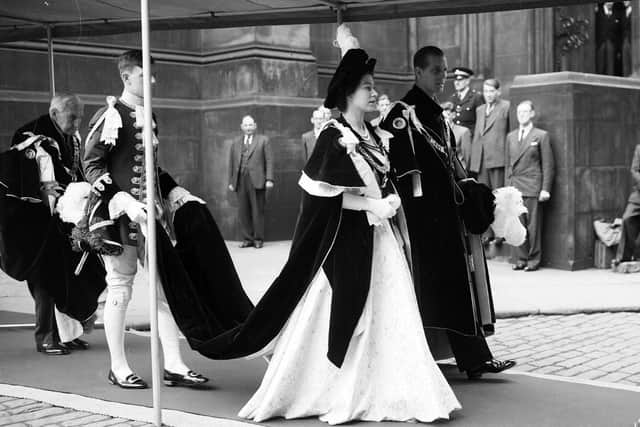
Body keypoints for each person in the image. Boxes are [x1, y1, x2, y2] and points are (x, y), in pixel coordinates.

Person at [193, 25, 461, 424]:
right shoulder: (334, 136)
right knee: (346, 314)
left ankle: (396, 384)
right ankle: (337, 386)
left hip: (380, 240)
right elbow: (322, 194)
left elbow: (384, 178)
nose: (373, 93)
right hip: (346, 246)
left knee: (393, 314)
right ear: (349, 93)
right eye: (367, 87)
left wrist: (387, 203)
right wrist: (371, 204)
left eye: (372, 86)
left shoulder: (371, 133)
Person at [380, 46, 516, 379]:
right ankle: (432, 360)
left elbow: (449, 162)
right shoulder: (402, 114)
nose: (444, 77)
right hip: (422, 222)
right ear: (418, 72)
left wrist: (467, 188)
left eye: (445, 70)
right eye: (437, 71)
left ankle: (474, 358)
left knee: (459, 287)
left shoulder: (435, 112)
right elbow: (402, 174)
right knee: (435, 291)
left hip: (445, 217)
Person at [83, 50, 215, 389]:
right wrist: (125, 201)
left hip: (151, 219)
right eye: (145, 75)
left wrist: (175, 191)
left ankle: (173, 364)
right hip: (118, 218)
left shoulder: (150, 115)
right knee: (120, 289)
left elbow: (152, 170)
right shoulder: (110, 115)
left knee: (164, 290)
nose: (153, 80)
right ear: (126, 77)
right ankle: (118, 365)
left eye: (153, 75)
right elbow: (91, 165)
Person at [1, 94, 102, 355]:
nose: (78, 122)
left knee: (70, 275)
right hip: (35, 220)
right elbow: (26, 178)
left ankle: (69, 334)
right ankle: (45, 336)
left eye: (80, 116)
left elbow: (75, 171)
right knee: (45, 277)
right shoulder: (30, 136)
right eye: (73, 116)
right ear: (55, 113)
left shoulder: (73, 139)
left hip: (64, 216)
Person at [505, 101, 555, 272]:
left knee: (533, 226)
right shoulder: (511, 136)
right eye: (519, 112)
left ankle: (533, 260)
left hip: (533, 186)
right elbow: (508, 165)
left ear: (532, 113)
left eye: (525, 112)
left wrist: (545, 188)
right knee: (518, 224)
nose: (522, 115)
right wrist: (507, 189)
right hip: (515, 186)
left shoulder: (541, 135)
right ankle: (521, 258)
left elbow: (548, 164)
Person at [228, 115, 274, 249]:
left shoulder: (263, 140)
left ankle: (258, 239)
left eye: (250, 125)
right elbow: (231, 163)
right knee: (243, 211)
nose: (248, 128)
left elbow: (269, 160)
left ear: (255, 126)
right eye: (246, 125)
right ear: (242, 127)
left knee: (257, 210)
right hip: (240, 179)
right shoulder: (235, 142)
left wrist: (269, 179)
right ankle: (247, 239)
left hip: (257, 180)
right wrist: (231, 181)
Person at [469, 78, 510, 190]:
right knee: (484, 195)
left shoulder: (506, 107)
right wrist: (474, 161)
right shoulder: (480, 110)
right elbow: (478, 134)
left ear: (498, 91)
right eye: (486, 91)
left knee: (499, 195)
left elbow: (510, 134)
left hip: (498, 159)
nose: (488, 94)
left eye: (491, 91)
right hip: (481, 161)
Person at [613, 144, 640, 264]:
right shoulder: (639, 148)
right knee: (627, 218)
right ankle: (625, 257)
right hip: (639, 195)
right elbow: (634, 170)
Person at [447, 67, 484, 135]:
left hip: (470, 137)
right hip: (455, 138)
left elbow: (481, 121)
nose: (457, 83)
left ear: (467, 81)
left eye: (460, 80)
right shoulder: (452, 98)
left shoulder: (476, 97)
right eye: (455, 80)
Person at [442, 101, 472, 169]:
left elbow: (467, 157)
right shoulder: (439, 132)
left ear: (454, 115)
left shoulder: (463, 131)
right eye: (443, 116)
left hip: (458, 171)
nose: (444, 119)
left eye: (448, 115)